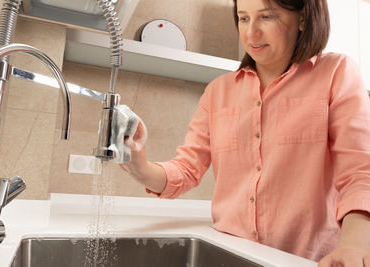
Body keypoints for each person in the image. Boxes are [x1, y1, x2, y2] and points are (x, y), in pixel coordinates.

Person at [120, 0, 370, 265]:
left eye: (266, 17)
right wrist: (140, 165)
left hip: (307, 260)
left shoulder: (335, 73)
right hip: (231, 255)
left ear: (303, 19)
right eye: (243, 18)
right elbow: (187, 170)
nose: (252, 32)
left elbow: (360, 171)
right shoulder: (218, 92)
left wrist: (355, 244)